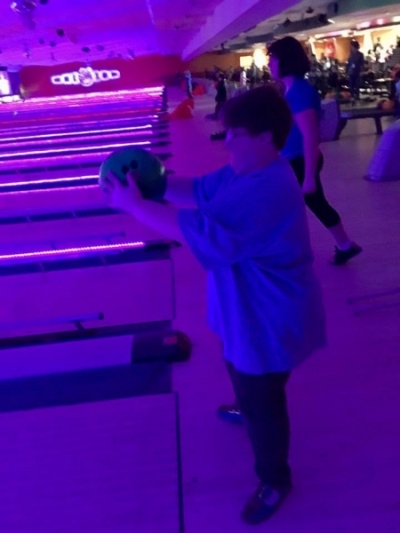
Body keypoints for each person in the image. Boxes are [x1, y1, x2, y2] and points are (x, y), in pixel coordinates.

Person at [102, 85, 327, 525]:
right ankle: (247, 403)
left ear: (265, 137)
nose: (226, 143)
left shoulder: (268, 189)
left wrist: (136, 207)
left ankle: (275, 480)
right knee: (239, 364)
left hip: (269, 316)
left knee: (263, 398)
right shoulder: (249, 169)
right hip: (247, 309)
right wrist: (152, 185)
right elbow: (198, 191)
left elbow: (201, 233)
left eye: (234, 134)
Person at [267, 36, 362, 265]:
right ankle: (344, 245)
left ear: (285, 61)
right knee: (312, 204)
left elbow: (310, 136)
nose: (269, 64)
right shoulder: (292, 89)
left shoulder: (300, 92)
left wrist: (309, 176)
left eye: (273, 59)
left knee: (303, 203)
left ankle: (339, 245)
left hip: (300, 160)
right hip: (294, 159)